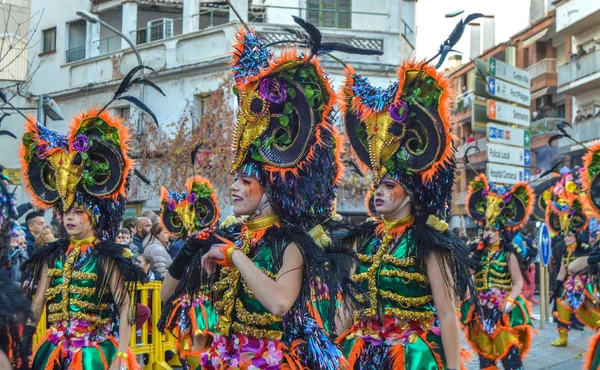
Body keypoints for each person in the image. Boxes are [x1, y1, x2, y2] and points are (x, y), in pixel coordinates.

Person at [160, 17, 362, 369]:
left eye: (245, 182)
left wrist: (235, 257)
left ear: (271, 189)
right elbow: (167, 296)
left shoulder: (292, 244)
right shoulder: (231, 237)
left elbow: (280, 303)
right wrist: (189, 251)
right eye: (234, 179)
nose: (234, 187)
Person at [335, 59, 474, 369]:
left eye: (388, 185)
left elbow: (449, 314)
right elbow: (349, 305)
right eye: (377, 185)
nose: (379, 192)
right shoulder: (366, 239)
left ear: (410, 192)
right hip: (362, 354)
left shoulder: (428, 243)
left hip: (411, 357)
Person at [18, 108, 148, 370]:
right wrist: (26, 340)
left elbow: (125, 308)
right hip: (53, 352)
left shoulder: (105, 256)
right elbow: (39, 302)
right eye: (67, 212)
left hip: (94, 355)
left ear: (94, 218)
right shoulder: (52, 255)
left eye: (79, 212)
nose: (71, 218)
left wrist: (121, 356)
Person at [461, 175, 536, 369]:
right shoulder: (477, 251)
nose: (489, 233)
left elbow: (518, 282)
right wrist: (477, 253)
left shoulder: (508, 253)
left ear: (501, 232)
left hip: (503, 309)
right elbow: (468, 273)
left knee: (510, 356)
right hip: (481, 310)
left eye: (493, 230)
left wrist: (510, 300)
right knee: (485, 357)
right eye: (486, 229)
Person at [544, 168, 599, 347]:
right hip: (570, 284)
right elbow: (563, 269)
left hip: (587, 283)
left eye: (570, 235)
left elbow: (589, 263)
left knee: (590, 310)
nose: (567, 237)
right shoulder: (563, 251)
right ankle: (563, 337)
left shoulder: (585, 247)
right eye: (565, 235)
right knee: (563, 304)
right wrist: (556, 288)